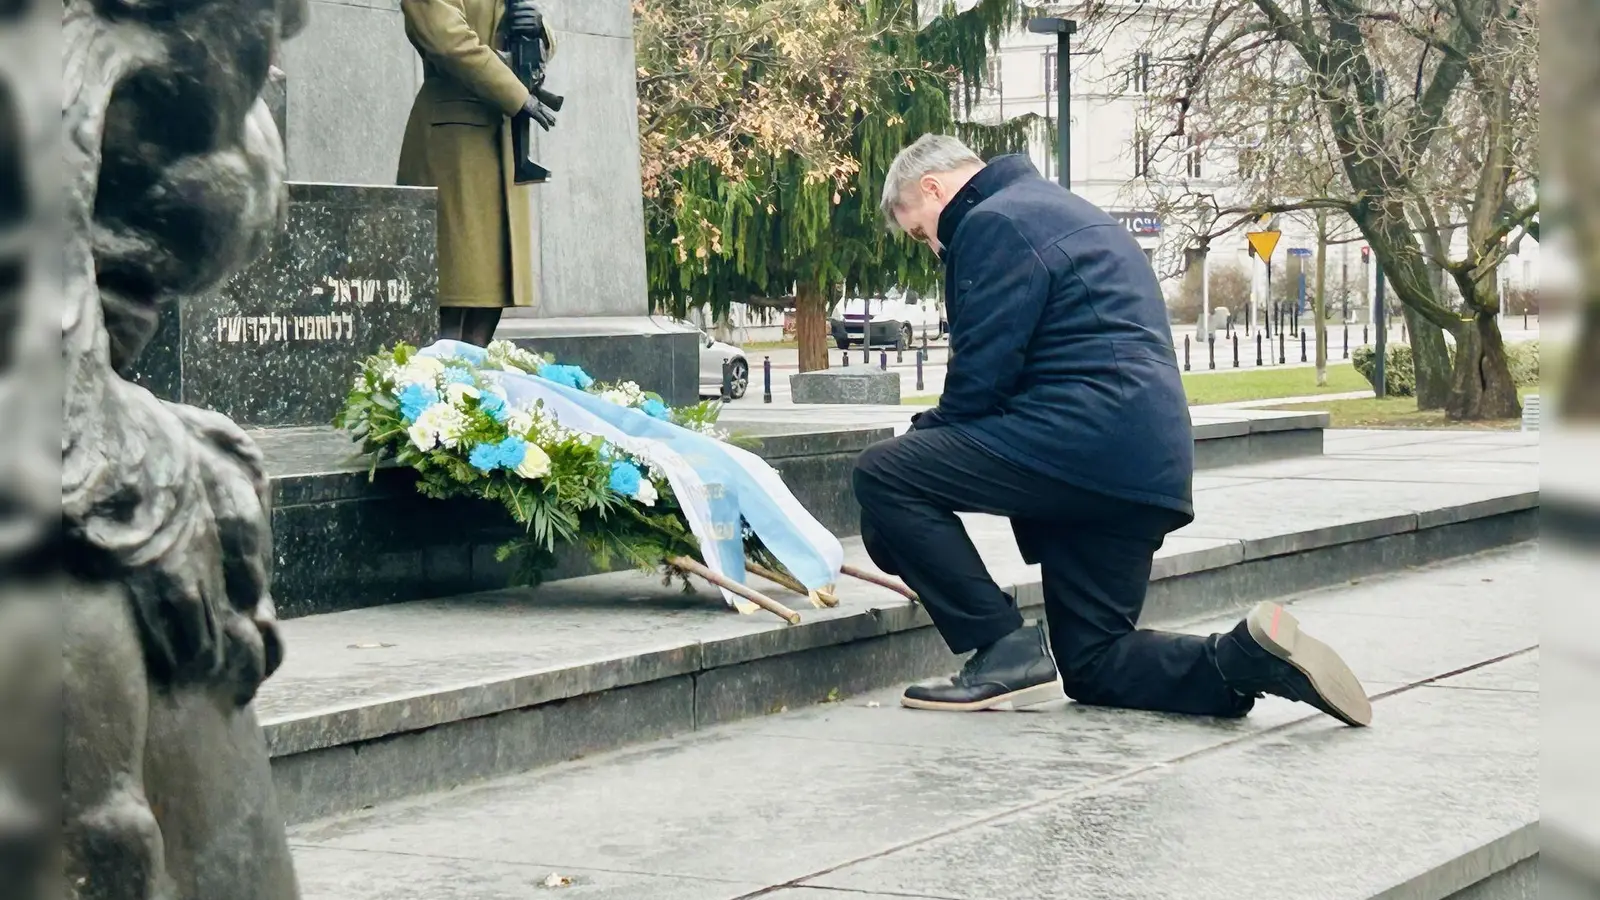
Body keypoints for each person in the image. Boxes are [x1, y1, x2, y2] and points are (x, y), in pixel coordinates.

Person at [854, 134, 1371, 726]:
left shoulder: (991, 222)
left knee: (883, 471)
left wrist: (898, 476)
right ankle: (1242, 662)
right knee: (1093, 661)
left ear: (933, 188)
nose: (934, 247)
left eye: (922, 231)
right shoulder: (1069, 211)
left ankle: (1003, 644)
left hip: (1082, 441)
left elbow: (980, 380)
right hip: (1141, 461)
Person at [397, 0, 556, 345]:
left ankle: (469, 388)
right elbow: (446, 39)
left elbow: (532, 34)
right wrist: (517, 94)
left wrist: (537, 32)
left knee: (491, 291)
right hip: (453, 142)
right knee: (452, 290)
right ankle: (439, 391)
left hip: (502, 137)